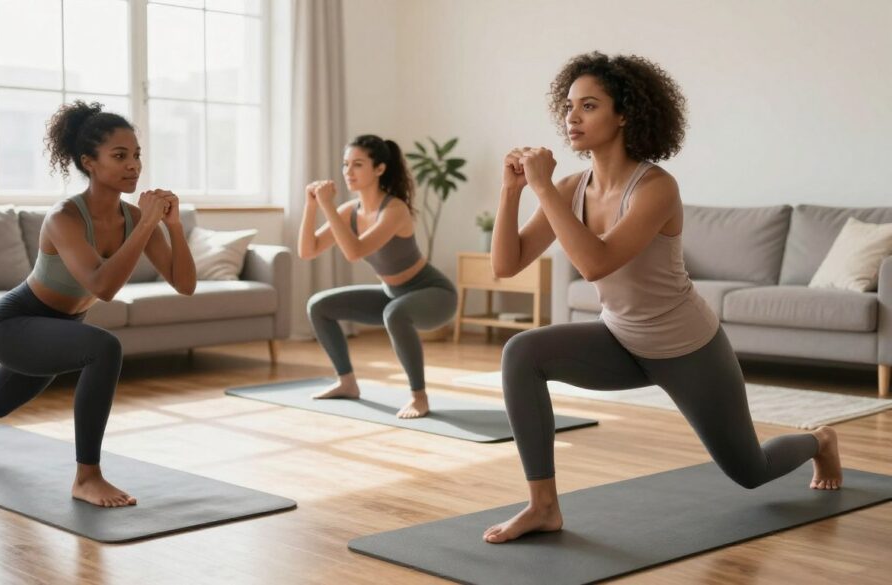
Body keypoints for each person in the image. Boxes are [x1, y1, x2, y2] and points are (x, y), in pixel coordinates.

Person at [483, 52, 842, 543]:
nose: (572, 117)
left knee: (749, 470)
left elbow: (596, 262)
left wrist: (543, 189)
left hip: (687, 348)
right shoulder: (570, 187)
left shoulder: (655, 188)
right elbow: (506, 265)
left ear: (624, 114)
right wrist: (511, 192)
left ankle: (819, 440)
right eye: (569, 106)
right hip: (620, 340)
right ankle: (543, 506)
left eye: (589, 106)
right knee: (521, 353)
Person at [0, 101, 196, 508]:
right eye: (119, 156)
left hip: (56, 329)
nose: (133, 165)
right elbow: (103, 286)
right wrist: (150, 223)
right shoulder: (64, 217)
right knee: (104, 347)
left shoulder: (137, 219)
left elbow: (184, 284)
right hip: (15, 323)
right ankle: (87, 477)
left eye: (136, 155)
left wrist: (171, 225)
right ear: (89, 163)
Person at [298, 135, 457, 419]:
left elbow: (354, 251)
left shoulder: (394, 210)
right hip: (391, 294)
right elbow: (307, 250)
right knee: (319, 306)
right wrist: (312, 206)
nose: (348, 171)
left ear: (380, 169)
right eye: (346, 164)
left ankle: (419, 397)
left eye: (357, 164)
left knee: (395, 314)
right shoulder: (348, 211)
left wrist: (328, 206)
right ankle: (346, 382)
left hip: (434, 294)